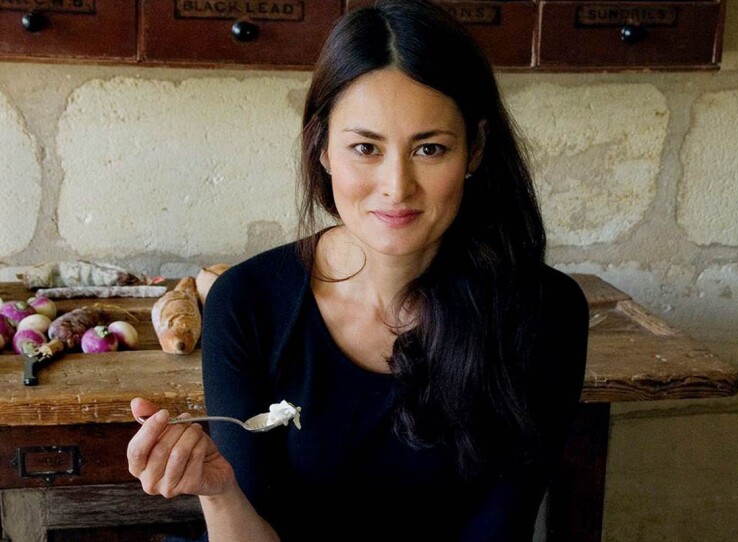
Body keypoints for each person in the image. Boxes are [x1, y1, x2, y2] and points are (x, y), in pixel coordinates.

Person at [126, 1, 589, 540]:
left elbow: (499, 530)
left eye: (430, 148)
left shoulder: (541, 313)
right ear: (322, 147)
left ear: (475, 150)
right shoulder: (247, 303)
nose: (397, 186)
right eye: (365, 147)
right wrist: (218, 491)